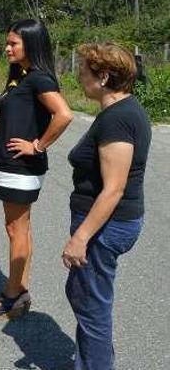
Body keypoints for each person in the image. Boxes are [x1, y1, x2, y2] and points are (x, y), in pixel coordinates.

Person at [0, 19, 73, 319]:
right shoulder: (21, 76)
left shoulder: (39, 78)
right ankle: (20, 288)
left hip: (22, 165)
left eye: (13, 43)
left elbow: (64, 115)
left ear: (30, 44)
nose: (7, 48)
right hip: (13, 165)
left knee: (15, 228)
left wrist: (38, 146)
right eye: (7, 43)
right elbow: (24, 113)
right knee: (20, 228)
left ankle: (11, 293)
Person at [64, 43, 150, 369]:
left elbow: (113, 189)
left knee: (92, 304)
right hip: (106, 224)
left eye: (83, 71)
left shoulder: (118, 119)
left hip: (105, 226)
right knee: (84, 294)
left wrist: (81, 237)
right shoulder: (119, 112)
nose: (79, 76)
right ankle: (95, 358)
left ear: (102, 77)